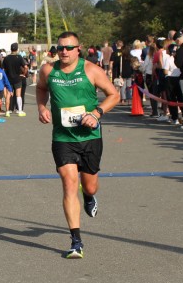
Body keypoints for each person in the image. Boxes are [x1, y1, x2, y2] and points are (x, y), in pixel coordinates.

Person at [36, 32, 120, 259]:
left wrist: (96, 113)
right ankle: (76, 241)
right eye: (60, 48)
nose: (64, 51)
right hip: (63, 138)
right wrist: (42, 107)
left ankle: (89, 196)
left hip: (90, 136)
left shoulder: (91, 70)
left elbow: (114, 95)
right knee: (69, 183)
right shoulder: (48, 70)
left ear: (78, 49)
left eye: (69, 47)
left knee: (89, 186)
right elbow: (41, 89)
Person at [2, 43, 26, 116]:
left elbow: (3, 69)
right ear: (17, 49)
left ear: (11, 49)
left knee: (8, 95)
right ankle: (20, 111)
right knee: (18, 95)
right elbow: (26, 67)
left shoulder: (6, 58)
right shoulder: (19, 57)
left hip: (8, 79)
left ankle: (7, 111)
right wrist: (23, 74)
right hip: (17, 78)